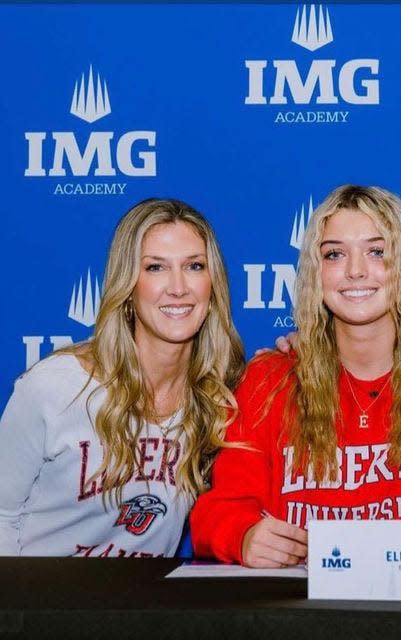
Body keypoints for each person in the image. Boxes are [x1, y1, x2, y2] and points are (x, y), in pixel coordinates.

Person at [190, 185, 401, 567]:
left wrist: (350, 550)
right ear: (315, 274)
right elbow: (218, 509)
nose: (355, 271)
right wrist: (243, 535)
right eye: (334, 254)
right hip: (295, 612)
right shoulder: (269, 380)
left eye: (377, 252)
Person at [0, 199, 245, 557]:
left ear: (213, 286)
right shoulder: (56, 387)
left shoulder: (216, 400)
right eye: (155, 268)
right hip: (38, 604)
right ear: (128, 286)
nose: (178, 287)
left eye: (194, 266)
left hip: (143, 609)